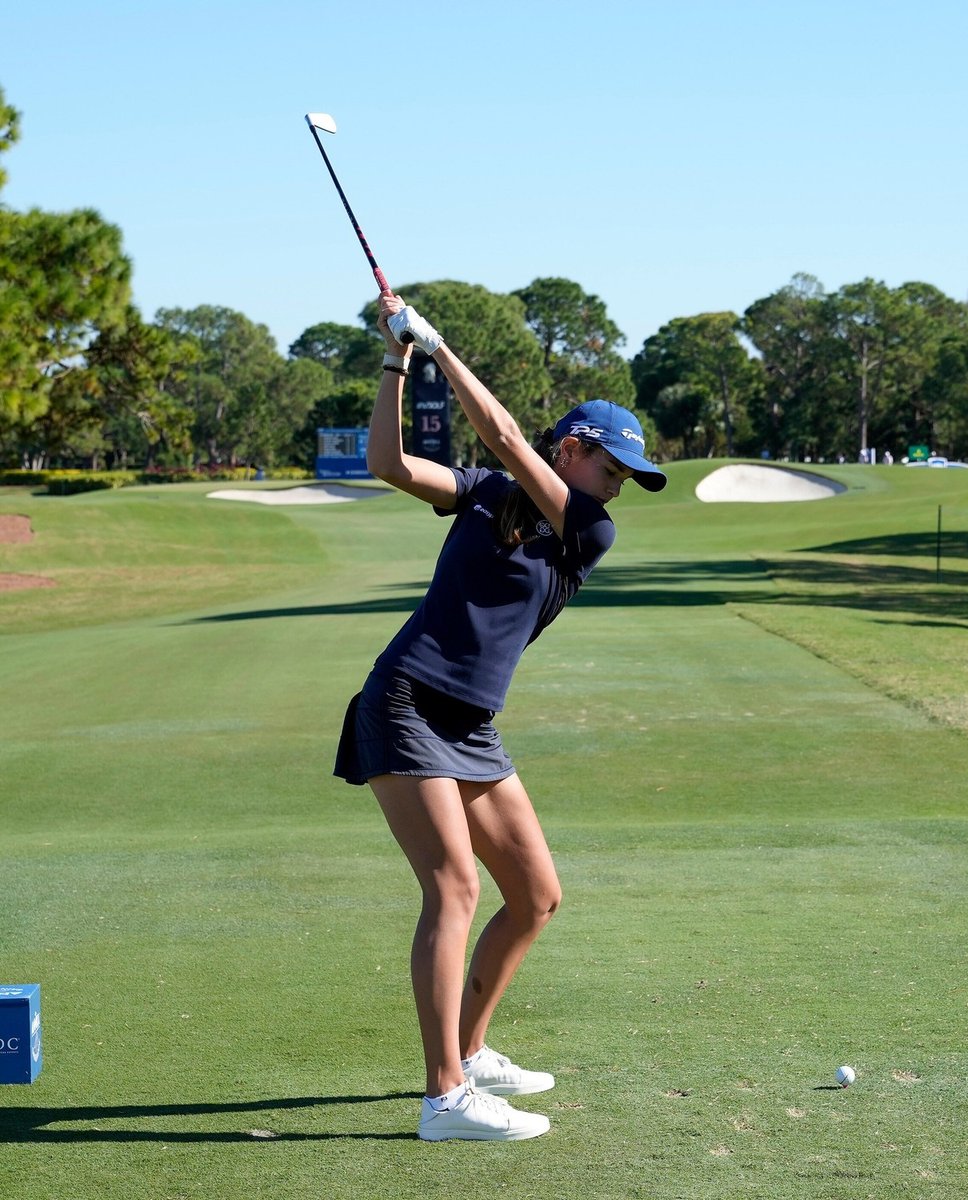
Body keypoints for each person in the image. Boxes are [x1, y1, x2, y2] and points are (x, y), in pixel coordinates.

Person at [337, 292, 667, 1142]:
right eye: (610, 469)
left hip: (470, 722)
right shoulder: (484, 493)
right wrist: (398, 358)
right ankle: (445, 1096)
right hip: (407, 697)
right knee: (454, 885)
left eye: (624, 479)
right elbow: (391, 464)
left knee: (536, 896)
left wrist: (440, 344)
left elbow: (510, 440)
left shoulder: (586, 534)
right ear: (575, 447)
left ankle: (471, 1050)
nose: (616, 488)